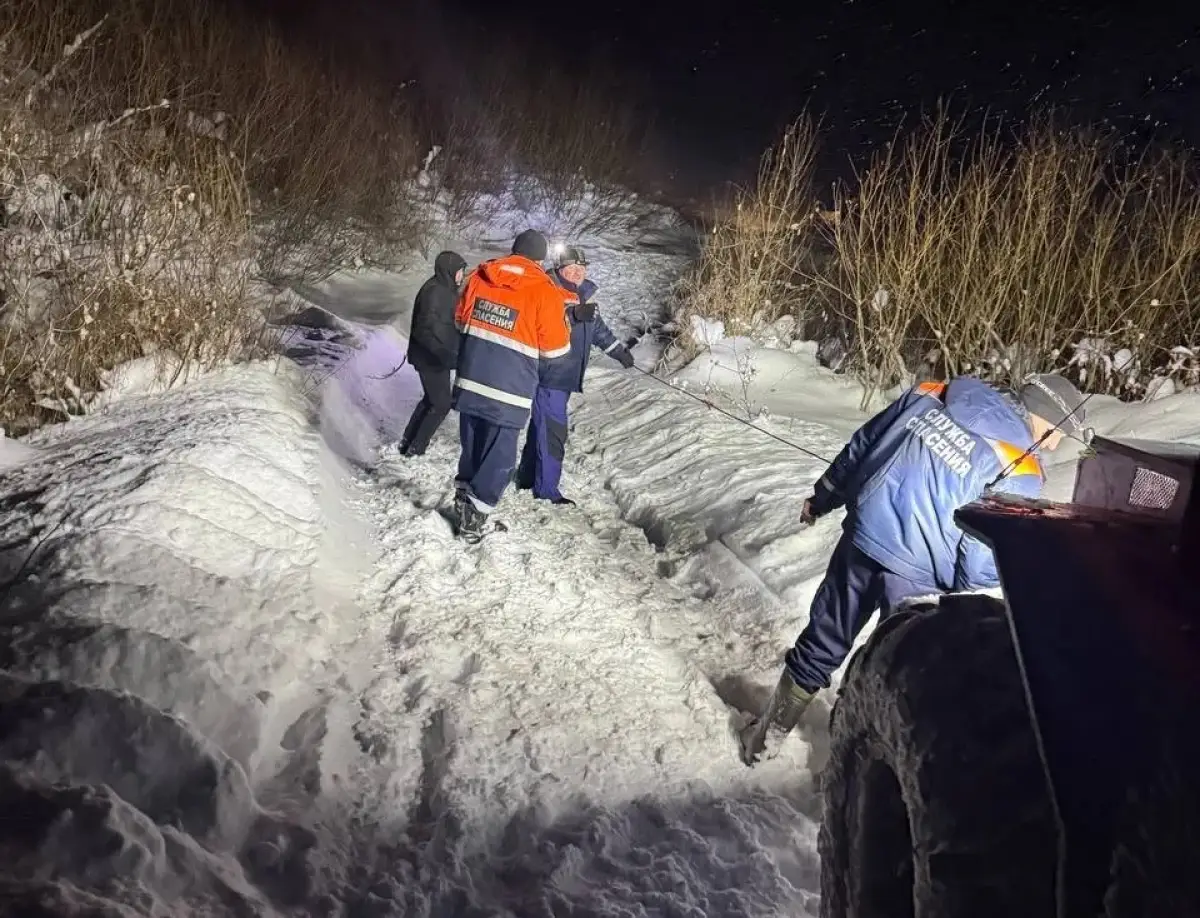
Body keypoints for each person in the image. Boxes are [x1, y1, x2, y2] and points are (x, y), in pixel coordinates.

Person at [739, 372, 1088, 765]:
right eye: (1064, 433)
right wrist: (975, 582)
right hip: (915, 579)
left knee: (825, 636)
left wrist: (824, 497)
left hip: (863, 537)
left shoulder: (935, 392)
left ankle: (763, 742)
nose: (1060, 444)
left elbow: (865, 442)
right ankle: (851, 773)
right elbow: (976, 564)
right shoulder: (1021, 469)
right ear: (1050, 419)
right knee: (892, 674)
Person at [451, 229, 572, 542]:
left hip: (470, 379)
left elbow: (460, 320)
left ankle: (463, 502)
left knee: (473, 445)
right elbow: (555, 350)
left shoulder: (480, 275)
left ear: (514, 250)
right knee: (501, 459)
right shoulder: (544, 290)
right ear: (540, 258)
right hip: (509, 388)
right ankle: (474, 521)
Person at [516, 245, 636, 505]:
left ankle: (526, 477)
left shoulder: (585, 295)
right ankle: (547, 491)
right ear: (559, 270)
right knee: (554, 432)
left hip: (565, 376)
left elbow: (598, 330)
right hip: (549, 374)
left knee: (542, 427)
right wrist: (571, 314)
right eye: (570, 268)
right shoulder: (547, 290)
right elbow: (542, 320)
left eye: (581, 268)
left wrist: (619, 352)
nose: (576, 273)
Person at [399, 250, 468, 457]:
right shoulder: (436, 292)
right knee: (441, 404)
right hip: (431, 357)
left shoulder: (444, 289)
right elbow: (426, 329)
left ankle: (408, 442)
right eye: (459, 271)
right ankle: (417, 447)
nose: (461, 276)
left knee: (431, 400)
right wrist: (443, 353)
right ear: (449, 271)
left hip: (437, 357)